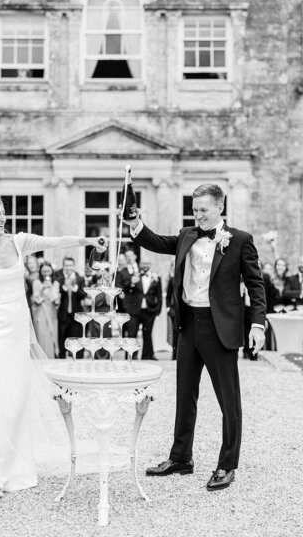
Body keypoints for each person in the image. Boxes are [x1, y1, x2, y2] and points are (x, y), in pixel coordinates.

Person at [0, 197, 106, 497]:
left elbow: (55, 241)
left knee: (17, 397)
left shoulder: (19, 242)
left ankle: (16, 467)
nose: (3, 219)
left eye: (4, 213)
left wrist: (88, 240)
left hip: (17, 331)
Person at [125, 183, 266, 491]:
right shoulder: (187, 235)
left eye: (203, 210)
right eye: (195, 210)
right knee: (185, 394)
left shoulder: (240, 240)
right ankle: (181, 457)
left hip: (220, 330)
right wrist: (134, 221)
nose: (198, 215)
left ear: (219, 207)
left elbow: (256, 285)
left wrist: (258, 325)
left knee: (229, 401)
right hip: (188, 325)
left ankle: (227, 465)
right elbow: (155, 240)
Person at [56, 256, 85, 359]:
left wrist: (74, 288)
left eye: (70, 265)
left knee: (77, 340)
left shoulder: (80, 279)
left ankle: (78, 362)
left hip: (76, 315)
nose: (68, 267)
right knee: (62, 340)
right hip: (63, 314)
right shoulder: (59, 279)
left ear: (74, 266)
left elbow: (82, 295)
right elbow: (56, 294)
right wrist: (64, 286)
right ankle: (61, 362)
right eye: (66, 265)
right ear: (63, 266)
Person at [30, 261, 60, 358]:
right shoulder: (36, 282)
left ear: (51, 271)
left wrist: (51, 288)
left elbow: (56, 301)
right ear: (41, 272)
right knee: (41, 335)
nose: (46, 273)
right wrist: (42, 288)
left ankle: (51, 358)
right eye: (44, 271)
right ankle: (40, 358)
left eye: (48, 271)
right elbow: (36, 298)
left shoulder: (55, 283)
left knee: (52, 336)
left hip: (51, 312)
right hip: (40, 312)